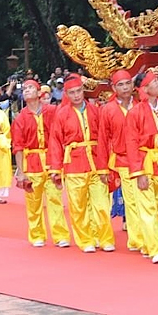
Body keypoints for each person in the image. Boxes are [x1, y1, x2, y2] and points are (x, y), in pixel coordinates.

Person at [49, 74, 114, 253]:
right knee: (78, 206)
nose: (76, 95)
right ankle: (85, 240)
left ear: (83, 91)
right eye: (72, 92)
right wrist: (56, 168)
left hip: (96, 161)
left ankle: (105, 238)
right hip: (74, 164)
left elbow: (104, 138)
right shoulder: (61, 114)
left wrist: (107, 163)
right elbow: (55, 141)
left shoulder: (95, 110)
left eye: (79, 91)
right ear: (66, 94)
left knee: (101, 204)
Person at [11, 80, 71, 248]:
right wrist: (21, 172)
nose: (27, 90)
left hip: (51, 161)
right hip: (32, 163)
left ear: (39, 93)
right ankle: (37, 234)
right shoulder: (20, 118)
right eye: (24, 89)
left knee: (55, 199)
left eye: (30, 88)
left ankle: (60, 235)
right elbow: (18, 147)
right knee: (33, 202)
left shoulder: (52, 111)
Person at [127, 69, 158, 263]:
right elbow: (132, 144)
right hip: (145, 163)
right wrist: (138, 172)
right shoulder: (135, 112)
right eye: (155, 82)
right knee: (147, 208)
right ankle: (155, 248)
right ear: (145, 88)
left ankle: (152, 243)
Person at [99, 70, 142, 252]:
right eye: (121, 85)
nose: (125, 88)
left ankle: (147, 236)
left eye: (127, 84)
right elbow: (102, 139)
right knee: (132, 200)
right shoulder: (108, 110)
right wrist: (103, 168)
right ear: (113, 88)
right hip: (123, 160)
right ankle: (137, 239)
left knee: (146, 200)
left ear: (133, 86)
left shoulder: (141, 106)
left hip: (143, 159)